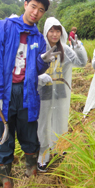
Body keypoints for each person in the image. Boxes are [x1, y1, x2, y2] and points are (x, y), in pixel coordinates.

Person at [0, 0, 60, 188]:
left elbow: (36, 69)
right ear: (25, 4)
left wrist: (43, 61)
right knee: (4, 136)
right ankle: (7, 181)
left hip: (27, 93)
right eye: (33, 6)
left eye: (41, 10)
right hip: (5, 92)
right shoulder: (3, 27)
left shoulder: (38, 38)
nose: (36, 12)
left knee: (29, 134)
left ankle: (31, 172)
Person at [36, 17, 87, 172]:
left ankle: (59, 147)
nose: (54, 34)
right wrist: (39, 78)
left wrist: (79, 48)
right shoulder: (39, 47)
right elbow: (30, 68)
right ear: (46, 31)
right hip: (43, 91)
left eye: (57, 30)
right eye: (51, 30)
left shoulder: (65, 49)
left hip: (60, 90)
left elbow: (82, 62)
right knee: (43, 123)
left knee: (60, 120)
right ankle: (43, 155)